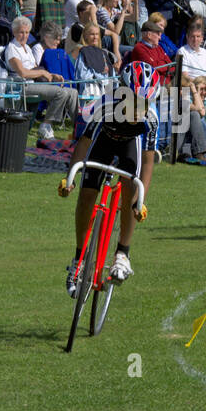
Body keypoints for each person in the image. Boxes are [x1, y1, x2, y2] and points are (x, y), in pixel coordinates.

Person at [60, 62, 160, 293]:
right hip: (102, 142)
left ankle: (123, 253)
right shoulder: (105, 106)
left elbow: (147, 161)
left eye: (144, 104)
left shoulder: (151, 119)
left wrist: (140, 200)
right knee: (86, 195)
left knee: (131, 192)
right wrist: (71, 178)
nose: (138, 110)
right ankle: (80, 257)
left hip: (129, 147)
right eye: (133, 102)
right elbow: (84, 144)